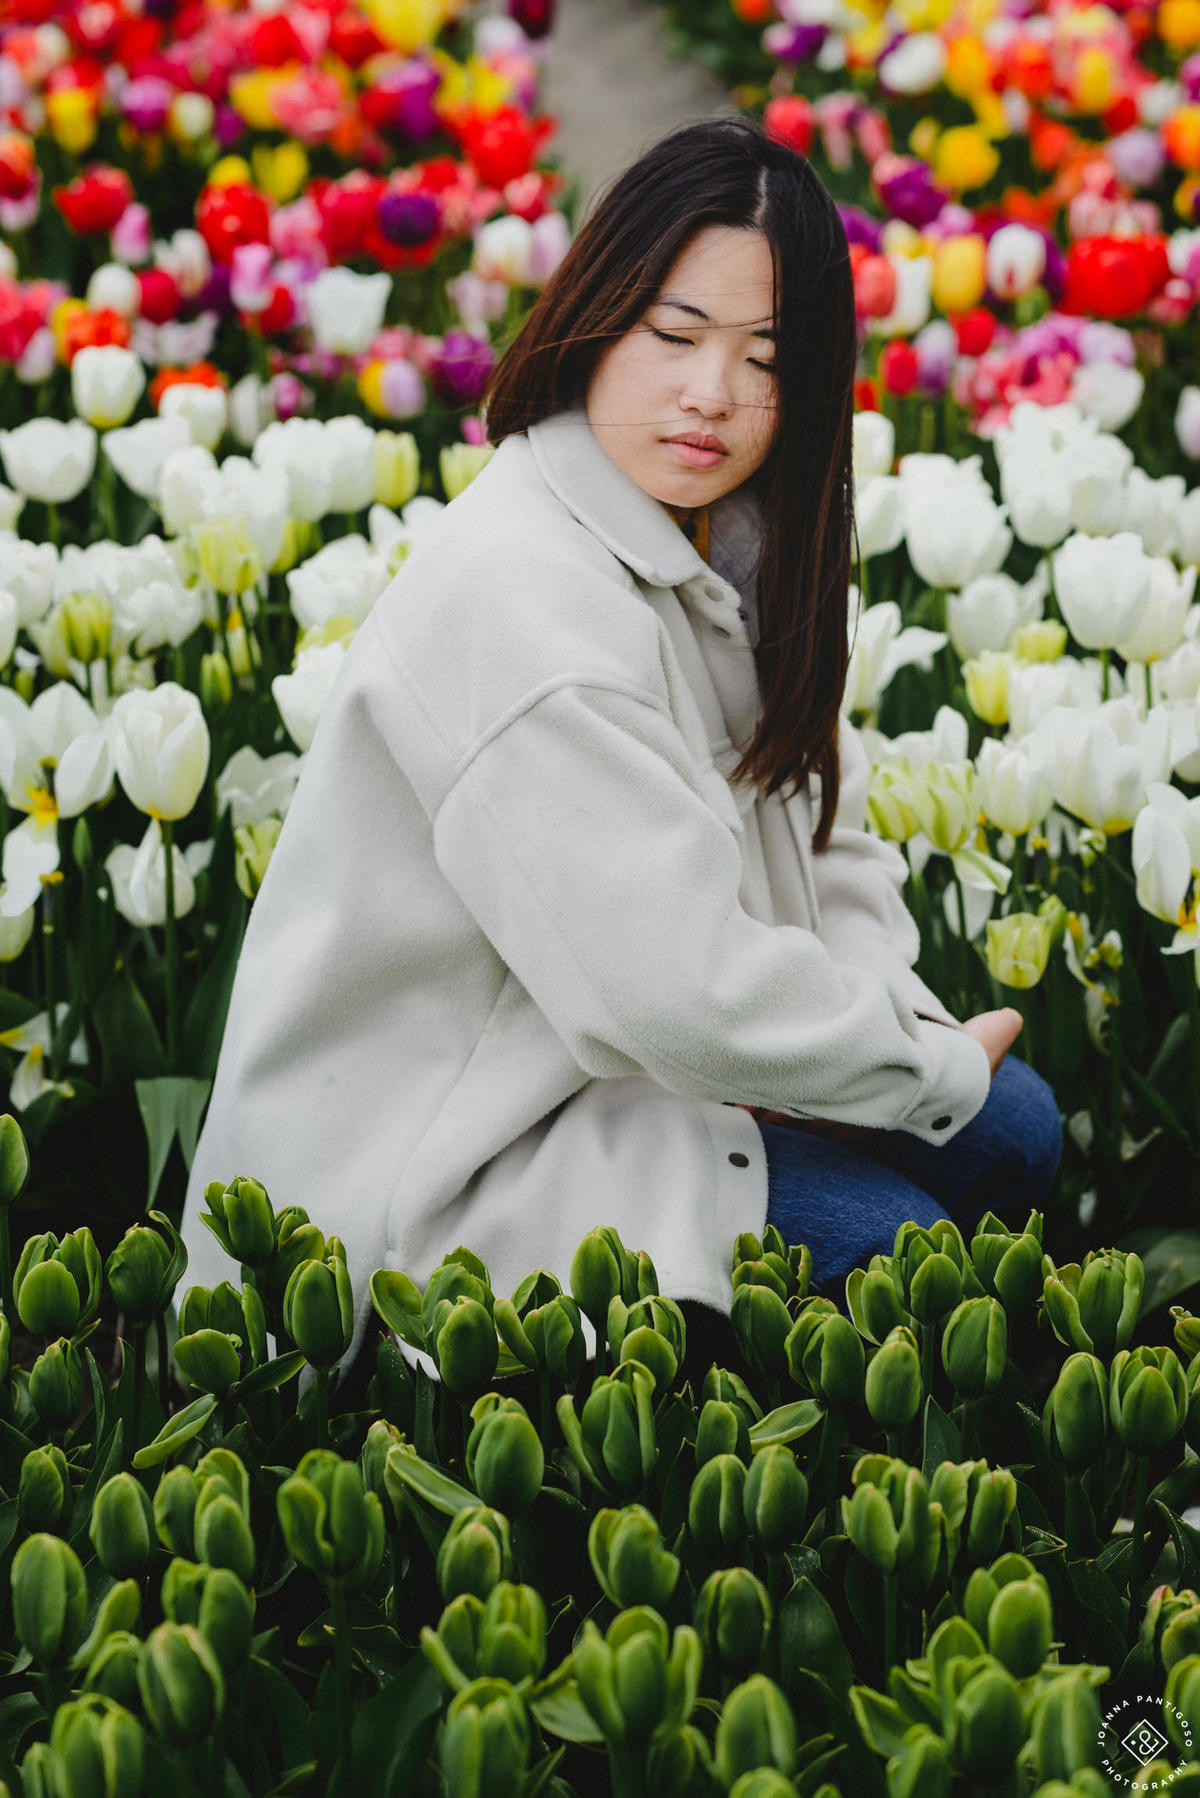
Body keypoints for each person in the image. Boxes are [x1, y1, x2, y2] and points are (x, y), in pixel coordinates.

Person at [180, 117, 1061, 1358]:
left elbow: (824, 826)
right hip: (437, 1174)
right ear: (598, 318)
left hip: (619, 1081)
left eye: (766, 356)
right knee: (903, 1251)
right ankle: (723, 1494)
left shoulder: (719, 538)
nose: (715, 393)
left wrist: (900, 1026)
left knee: (1013, 1129)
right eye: (676, 335)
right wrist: (919, 1068)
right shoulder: (529, 604)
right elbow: (675, 995)